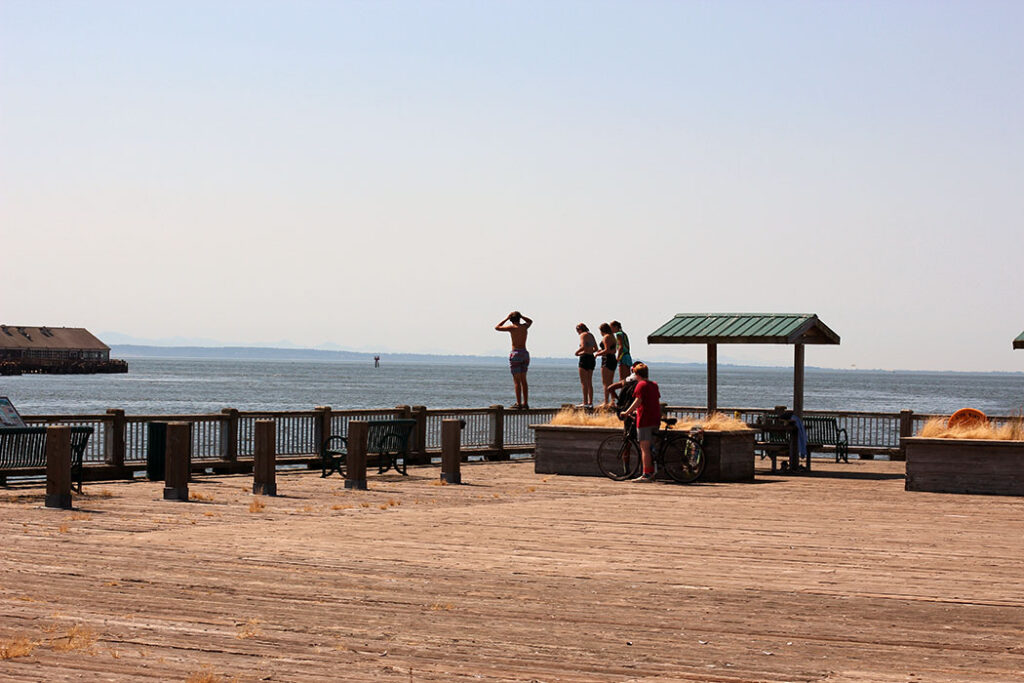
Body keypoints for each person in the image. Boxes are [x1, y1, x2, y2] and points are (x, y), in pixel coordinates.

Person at [622, 362, 660, 482]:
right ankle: (653, 470)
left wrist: (626, 412)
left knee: (644, 448)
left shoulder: (640, 385)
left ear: (637, 374)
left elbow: (638, 401)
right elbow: (651, 401)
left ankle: (646, 474)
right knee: (651, 446)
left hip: (644, 420)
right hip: (655, 419)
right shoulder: (654, 385)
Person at [495, 311, 533, 409]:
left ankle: (518, 403)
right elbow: (530, 321)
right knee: (524, 380)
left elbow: (497, 327)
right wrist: (522, 316)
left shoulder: (512, 328)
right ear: (519, 318)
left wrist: (506, 318)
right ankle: (525, 403)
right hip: (524, 353)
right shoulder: (524, 327)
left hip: (516, 353)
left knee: (517, 381)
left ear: (511, 320)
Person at [574, 323, 598, 408]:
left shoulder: (583, 335)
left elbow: (583, 346)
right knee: (589, 382)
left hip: (584, 358)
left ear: (580, 329)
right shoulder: (591, 335)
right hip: (591, 358)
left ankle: (585, 402)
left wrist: (577, 352)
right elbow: (596, 348)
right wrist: (589, 351)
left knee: (584, 382)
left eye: (577, 330)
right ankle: (590, 401)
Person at [594, 322, 618, 407]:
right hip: (613, 359)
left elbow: (607, 350)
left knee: (605, 382)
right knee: (610, 382)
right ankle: (613, 401)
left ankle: (606, 402)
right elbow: (614, 350)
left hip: (606, 360)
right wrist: (602, 351)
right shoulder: (613, 337)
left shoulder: (606, 337)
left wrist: (597, 354)